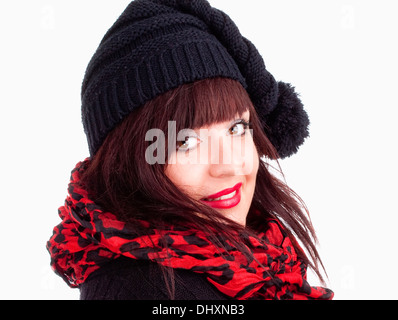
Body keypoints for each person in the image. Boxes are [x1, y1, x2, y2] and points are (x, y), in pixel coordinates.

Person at [47, 0, 333, 300]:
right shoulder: (147, 289)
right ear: (126, 163)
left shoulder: (259, 256)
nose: (229, 166)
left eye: (237, 128)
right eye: (186, 142)